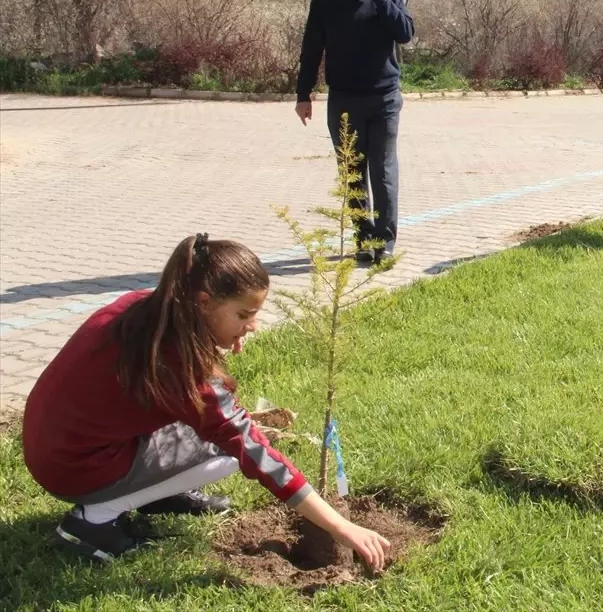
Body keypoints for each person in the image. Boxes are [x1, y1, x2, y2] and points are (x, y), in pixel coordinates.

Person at [22, 235, 391, 568]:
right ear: (203, 302)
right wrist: (342, 527)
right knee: (231, 450)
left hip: (53, 445)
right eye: (244, 315)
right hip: (74, 467)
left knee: (210, 429)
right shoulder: (183, 368)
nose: (253, 325)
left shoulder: (142, 309)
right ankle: (93, 522)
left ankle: (150, 495)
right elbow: (254, 452)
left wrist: (216, 337)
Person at [296, 0, 415, 265]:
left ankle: (385, 242)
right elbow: (311, 52)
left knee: (383, 170)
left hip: (384, 99)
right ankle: (365, 238)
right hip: (344, 100)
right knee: (352, 173)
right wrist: (303, 94)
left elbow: (405, 33)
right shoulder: (324, 1)